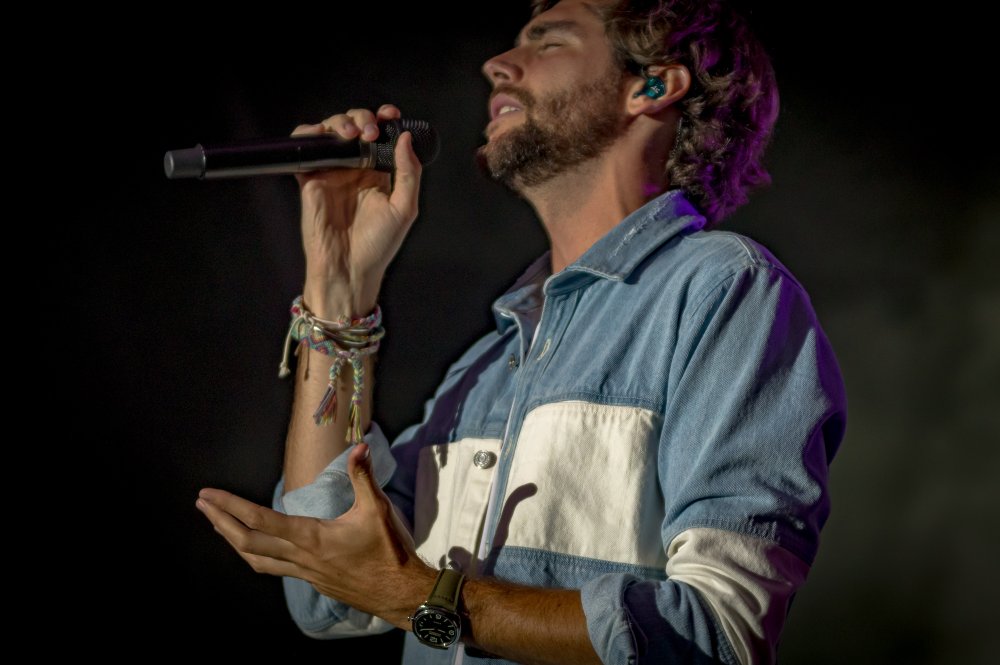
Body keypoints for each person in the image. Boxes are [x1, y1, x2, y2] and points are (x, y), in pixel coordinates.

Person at [195, 1, 847, 663]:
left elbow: (722, 633)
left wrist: (420, 599)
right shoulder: (486, 364)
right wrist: (338, 290)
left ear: (653, 85)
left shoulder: (722, 290)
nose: (498, 64)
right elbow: (325, 596)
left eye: (549, 42)